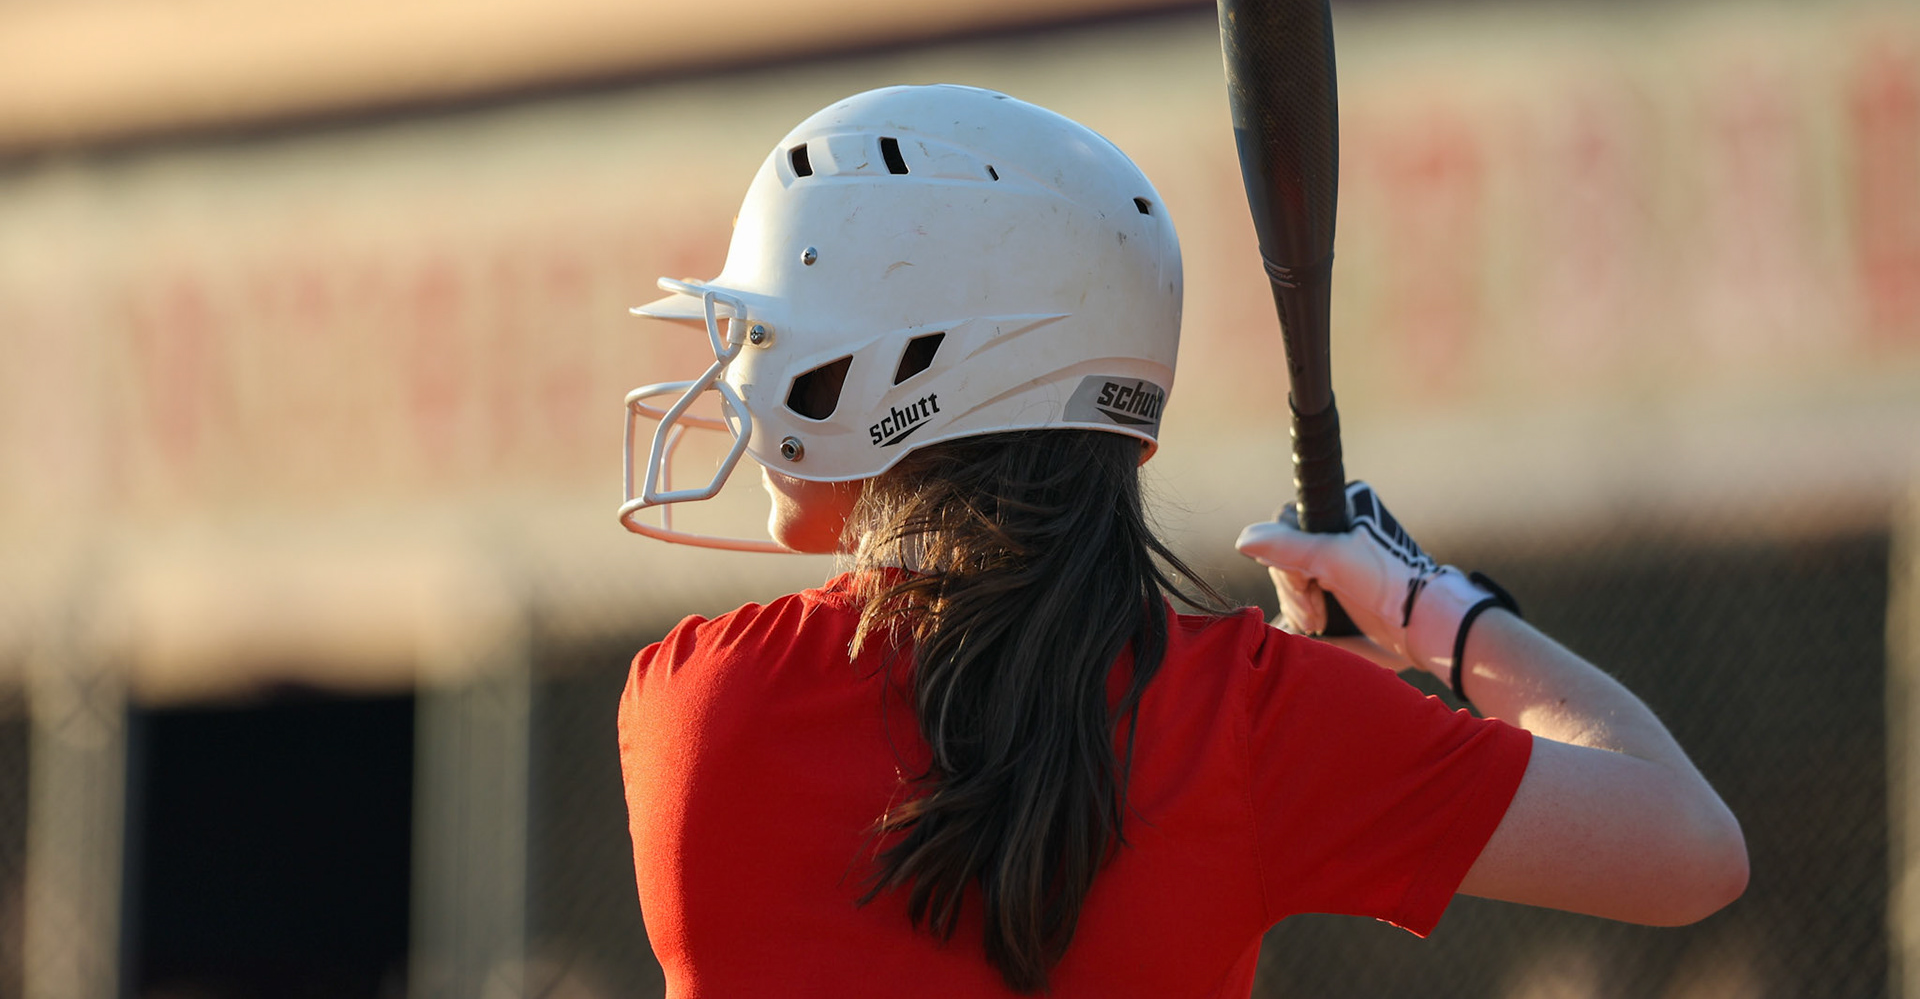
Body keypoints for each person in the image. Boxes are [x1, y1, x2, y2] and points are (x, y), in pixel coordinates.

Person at [615, 85, 1747, 997]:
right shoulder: (1249, 716)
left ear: (912, 366)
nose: (737, 374)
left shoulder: (694, 702)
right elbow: (1692, 849)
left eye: (768, 334)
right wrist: (1427, 609)